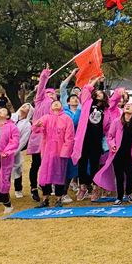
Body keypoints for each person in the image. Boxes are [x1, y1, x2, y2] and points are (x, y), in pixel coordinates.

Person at [93, 101, 132, 204]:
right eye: (126, 106)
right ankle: (119, 197)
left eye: (130, 106)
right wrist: (112, 145)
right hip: (117, 154)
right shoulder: (116, 122)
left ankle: (128, 193)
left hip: (130, 155)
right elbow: (110, 136)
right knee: (119, 176)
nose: (127, 106)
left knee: (131, 176)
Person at [72, 77, 109, 202]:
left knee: (94, 164)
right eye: (97, 92)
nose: (99, 93)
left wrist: (102, 83)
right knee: (82, 162)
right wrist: (95, 80)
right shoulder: (87, 102)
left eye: (101, 92)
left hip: (96, 139)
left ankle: (95, 187)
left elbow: (112, 99)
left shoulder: (105, 108)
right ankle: (82, 187)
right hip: (84, 138)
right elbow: (86, 89)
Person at [32, 100, 75, 208]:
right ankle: (45, 199)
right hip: (47, 151)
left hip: (60, 151)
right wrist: (37, 125)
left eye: (58, 103)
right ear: (50, 107)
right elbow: (35, 129)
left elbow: (70, 137)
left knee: (59, 175)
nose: (56, 104)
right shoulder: (46, 117)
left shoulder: (67, 119)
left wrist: (65, 151)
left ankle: (59, 199)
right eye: (53, 103)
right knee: (45, 175)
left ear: (62, 106)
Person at [26, 66, 57, 201]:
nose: (50, 95)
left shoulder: (56, 108)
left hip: (50, 139)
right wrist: (45, 75)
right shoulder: (39, 101)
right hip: (37, 137)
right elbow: (41, 87)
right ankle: (33, 187)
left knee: (48, 164)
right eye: (48, 93)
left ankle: (46, 187)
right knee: (36, 163)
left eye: (52, 94)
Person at [60, 69, 82, 201]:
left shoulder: (83, 110)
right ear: (68, 102)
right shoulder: (65, 111)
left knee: (78, 166)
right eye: (72, 98)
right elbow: (63, 88)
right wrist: (72, 75)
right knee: (67, 168)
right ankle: (63, 193)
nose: (75, 99)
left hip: (79, 143)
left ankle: (82, 188)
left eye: (77, 98)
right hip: (67, 143)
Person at [11, 103, 33, 198]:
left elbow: (23, 140)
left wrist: (14, 152)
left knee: (17, 169)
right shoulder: (11, 117)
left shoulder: (27, 125)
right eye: (24, 105)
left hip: (15, 150)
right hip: (2, 148)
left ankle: (18, 189)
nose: (24, 106)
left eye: (27, 107)